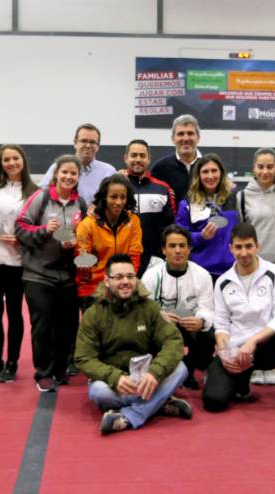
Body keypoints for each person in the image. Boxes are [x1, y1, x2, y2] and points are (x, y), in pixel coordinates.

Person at [75, 254, 192, 435]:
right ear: (106, 281)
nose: (125, 282)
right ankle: (159, 401)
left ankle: (128, 417)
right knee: (98, 392)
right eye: (119, 277)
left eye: (130, 276)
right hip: (114, 381)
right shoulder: (93, 314)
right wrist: (115, 378)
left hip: (146, 377)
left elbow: (173, 341)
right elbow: (83, 358)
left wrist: (154, 373)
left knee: (181, 369)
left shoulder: (150, 307)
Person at [203, 223, 275, 421]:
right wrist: (225, 353)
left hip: (267, 346)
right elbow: (221, 324)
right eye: (238, 247)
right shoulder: (223, 281)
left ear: (257, 247)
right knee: (213, 401)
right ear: (230, 249)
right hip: (237, 350)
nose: (244, 252)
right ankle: (241, 383)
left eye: (248, 246)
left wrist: (253, 341)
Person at [16, 155, 86, 392]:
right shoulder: (41, 198)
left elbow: (85, 236)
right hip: (38, 274)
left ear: (78, 177)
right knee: (43, 325)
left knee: (68, 325)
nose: (68, 177)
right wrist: (45, 230)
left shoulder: (80, 204)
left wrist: (75, 243)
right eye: (64, 172)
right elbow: (20, 228)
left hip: (68, 276)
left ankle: (60, 368)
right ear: (56, 174)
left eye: (73, 173)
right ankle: (43, 373)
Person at [0, 144, 38, 382]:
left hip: (17, 262)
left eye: (16, 158)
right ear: (1, 164)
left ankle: (12, 361)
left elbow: (38, 227)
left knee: (14, 313)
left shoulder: (35, 192)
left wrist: (22, 239)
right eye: (6, 160)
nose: (12, 163)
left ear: (23, 161)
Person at [237, 148, 275, 386]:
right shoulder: (242, 196)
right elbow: (241, 231)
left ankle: (270, 366)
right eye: (260, 166)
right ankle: (254, 364)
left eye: (270, 167)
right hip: (252, 266)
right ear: (254, 168)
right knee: (253, 317)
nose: (265, 171)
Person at [142, 225, 216, 390]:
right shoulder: (151, 275)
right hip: (161, 327)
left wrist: (201, 321)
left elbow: (208, 308)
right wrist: (159, 316)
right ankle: (158, 369)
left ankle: (194, 367)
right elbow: (143, 310)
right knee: (142, 331)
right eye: (172, 246)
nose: (178, 250)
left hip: (190, 326)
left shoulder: (202, 275)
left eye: (182, 246)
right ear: (164, 250)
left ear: (189, 249)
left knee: (210, 332)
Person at [75, 174, 143, 308]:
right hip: (94, 288)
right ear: (104, 197)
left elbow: (135, 255)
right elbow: (82, 262)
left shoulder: (133, 221)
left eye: (123, 197)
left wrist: (125, 280)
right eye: (113, 197)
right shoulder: (87, 224)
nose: (118, 202)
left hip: (124, 285)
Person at [175, 153, 238, 282]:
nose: (210, 176)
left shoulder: (234, 199)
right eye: (205, 172)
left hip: (232, 271)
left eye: (214, 171)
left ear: (221, 173)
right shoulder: (188, 203)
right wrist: (201, 236)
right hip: (201, 272)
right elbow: (179, 237)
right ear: (198, 176)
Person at [123, 139, 175, 276]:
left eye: (142, 155)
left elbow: (171, 227)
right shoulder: (116, 187)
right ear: (126, 158)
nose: (138, 159)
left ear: (149, 159)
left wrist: (163, 254)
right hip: (122, 259)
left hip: (155, 261)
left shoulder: (163, 189)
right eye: (133, 155)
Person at [39, 123, 115, 205]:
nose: (88, 145)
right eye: (84, 141)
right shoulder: (58, 168)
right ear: (75, 143)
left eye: (92, 142)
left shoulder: (109, 172)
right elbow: (40, 195)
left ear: (98, 146)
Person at [150, 114, 202, 203]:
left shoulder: (208, 167)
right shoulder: (160, 169)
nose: (186, 138)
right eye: (180, 134)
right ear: (173, 139)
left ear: (198, 138)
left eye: (190, 133)